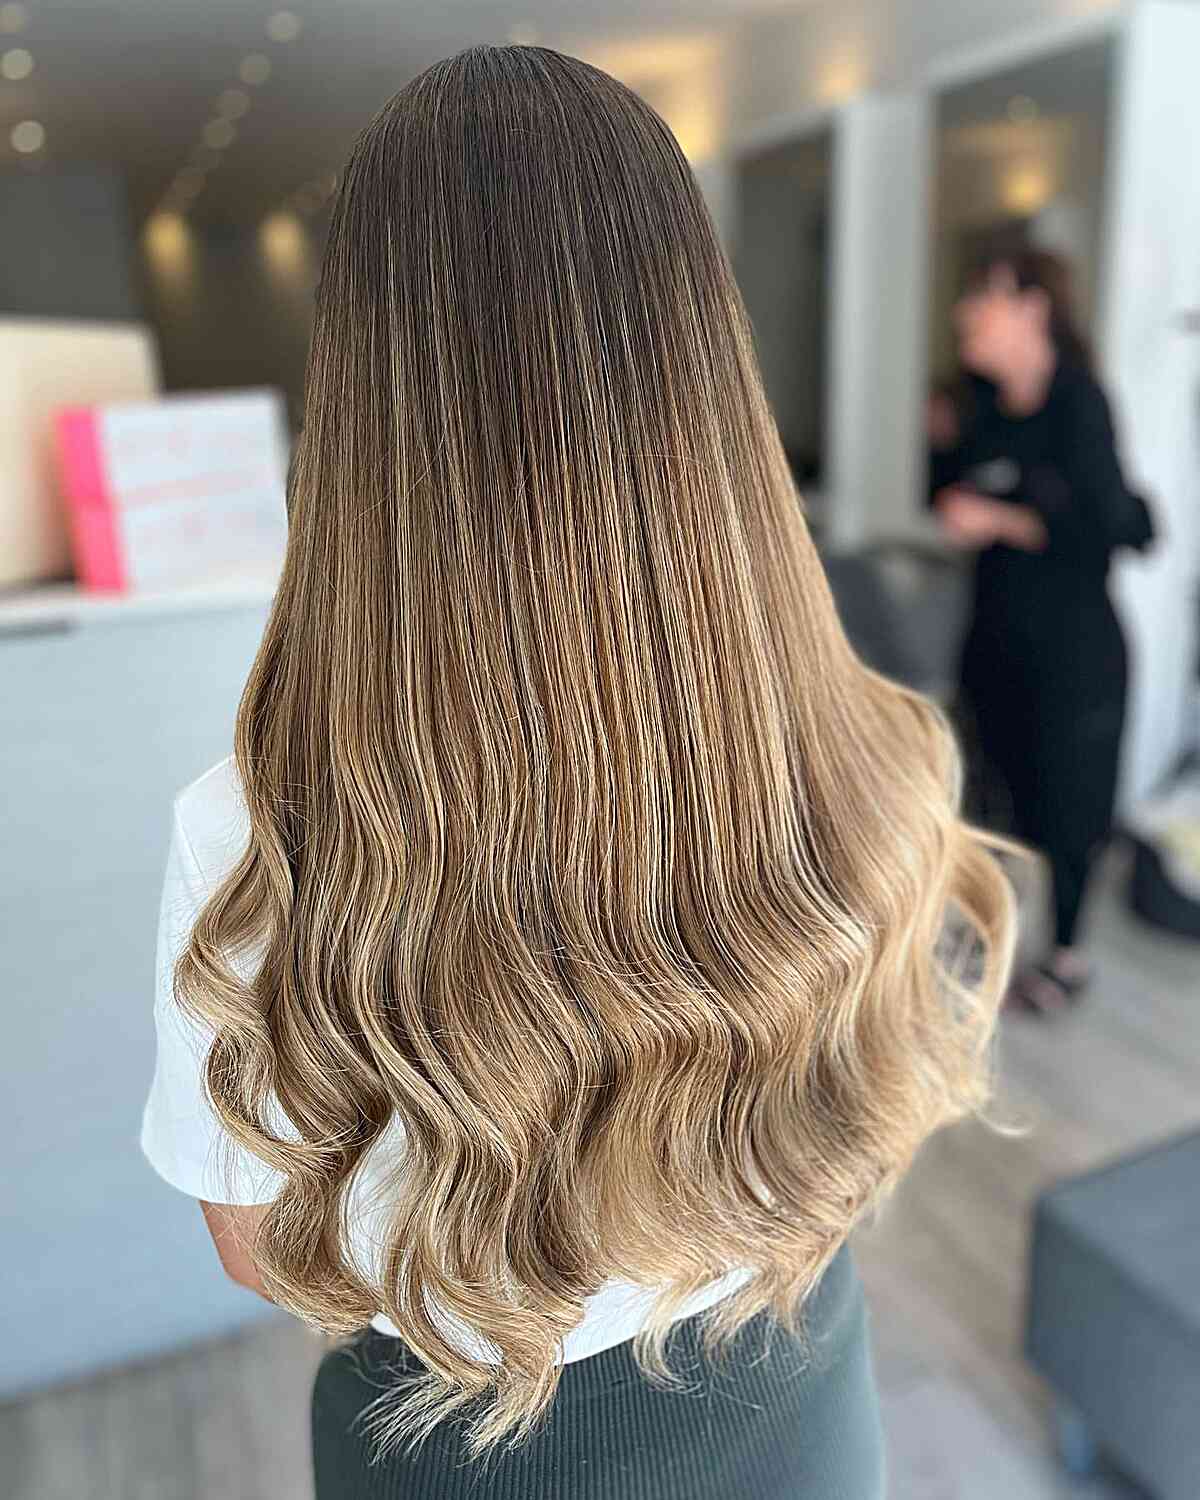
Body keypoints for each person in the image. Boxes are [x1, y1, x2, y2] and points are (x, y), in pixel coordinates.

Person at [141, 46, 1014, 1499]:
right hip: (802, 1386)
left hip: (464, 1443)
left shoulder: (254, 831)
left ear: (363, 393)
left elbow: (259, 1248)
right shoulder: (862, 731)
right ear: (703, 358)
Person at [930, 249, 1153, 1015]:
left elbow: (1119, 527)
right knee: (989, 799)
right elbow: (946, 496)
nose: (965, 313)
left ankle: (1066, 957)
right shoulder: (980, 409)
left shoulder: (1080, 403)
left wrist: (1001, 519)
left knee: (1068, 806)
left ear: (1033, 307)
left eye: (982, 296)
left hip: (1074, 653)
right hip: (993, 641)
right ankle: (989, 937)